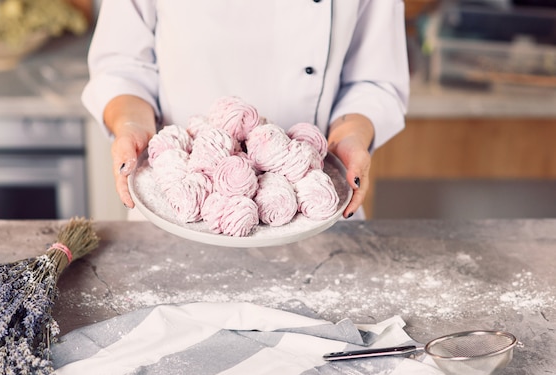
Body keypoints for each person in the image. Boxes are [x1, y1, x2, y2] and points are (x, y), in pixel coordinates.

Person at [82, 0, 409, 220]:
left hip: (313, 209)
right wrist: (130, 124)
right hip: (175, 208)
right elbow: (122, 66)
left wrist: (350, 137)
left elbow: (373, 80)